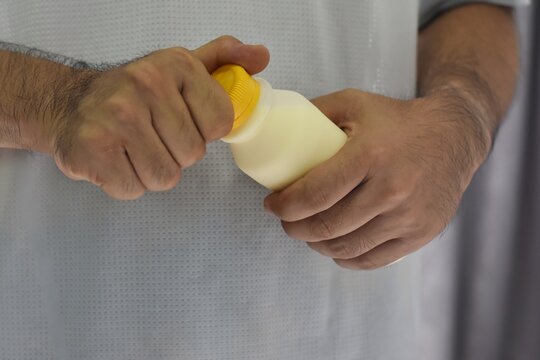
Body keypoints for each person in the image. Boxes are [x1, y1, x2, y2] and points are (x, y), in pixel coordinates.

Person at [0, 0, 518, 359]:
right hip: (51, 323)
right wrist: (54, 100)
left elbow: (470, 9)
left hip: (354, 335)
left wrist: (459, 125)